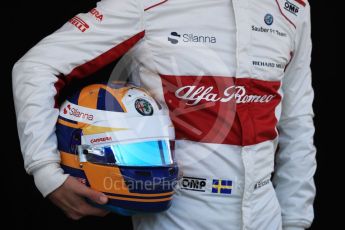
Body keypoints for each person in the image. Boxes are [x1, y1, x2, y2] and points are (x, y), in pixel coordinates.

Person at [12, 0, 316, 229]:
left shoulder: (293, 8)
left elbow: (297, 122)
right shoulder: (146, 3)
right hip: (176, 215)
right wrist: (46, 172)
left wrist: (296, 220)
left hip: (267, 214)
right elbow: (37, 66)